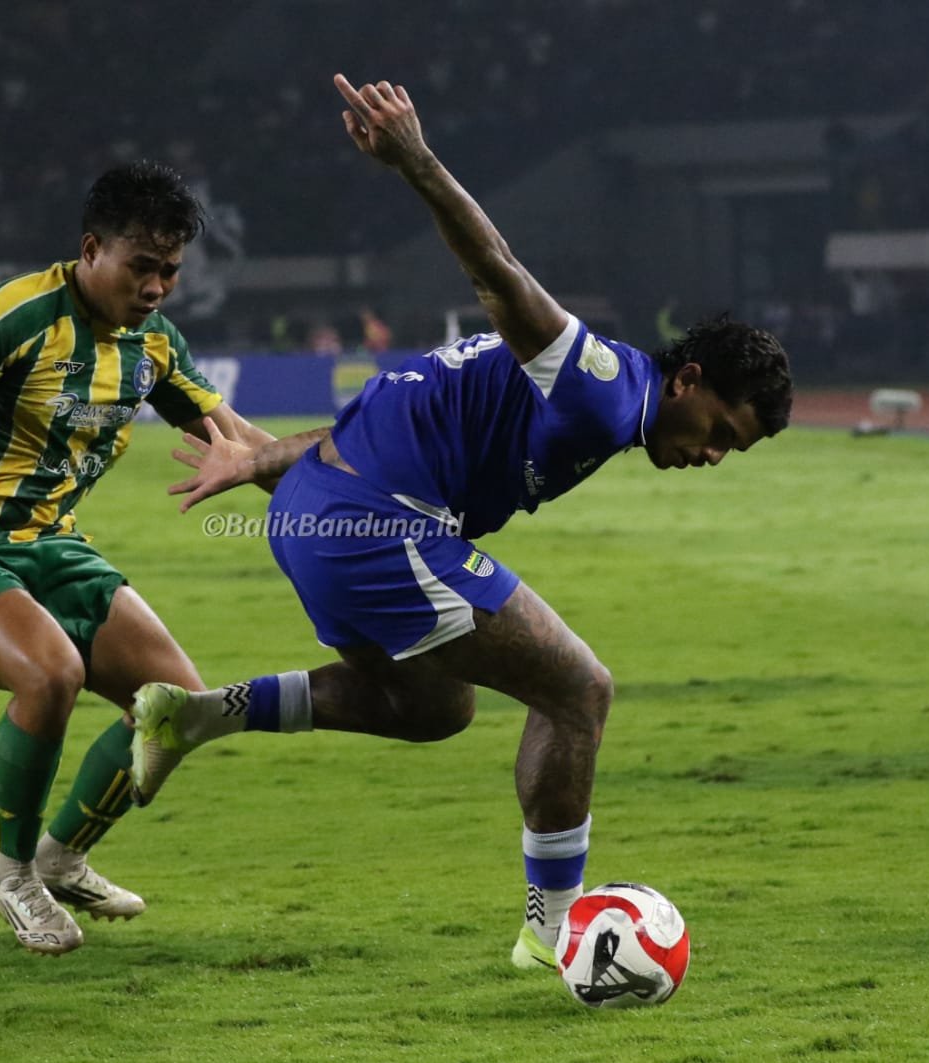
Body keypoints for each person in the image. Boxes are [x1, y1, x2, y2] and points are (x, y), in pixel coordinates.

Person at [126, 75, 793, 976]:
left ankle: (193, 718)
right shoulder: (601, 388)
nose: (712, 455)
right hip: (379, 530)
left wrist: (259, 458)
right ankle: (552, 932)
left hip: (319, 511)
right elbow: (498, 275)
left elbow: (373, 430)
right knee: (579, 693)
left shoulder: (606, 396)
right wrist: (415, 160)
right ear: (690, 380)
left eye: (730, 453)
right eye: (720, 432)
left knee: (433, 708)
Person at [0, 161, 322, 956]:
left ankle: (61, 856)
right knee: (50, 674)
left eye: (170, 271)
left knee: (172, 702)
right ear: (91, 249)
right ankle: (13, 877)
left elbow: (244, 444)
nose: (156, 287)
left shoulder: (154, 345)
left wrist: (347, 509)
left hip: (54, 543)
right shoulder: (16, 312)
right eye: (141, 266)